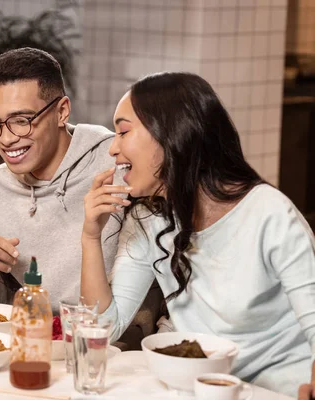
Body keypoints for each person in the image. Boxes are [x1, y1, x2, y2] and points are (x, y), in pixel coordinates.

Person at [81, 71, 315, 396]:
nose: (113, 149)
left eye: (123, 131)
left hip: (280, 390)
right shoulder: (149, 218)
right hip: (194, 387)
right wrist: (91, 236)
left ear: (172, 133)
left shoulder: (270, 214)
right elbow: (103, 328)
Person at [0, 48, 164, 348]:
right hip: (34, 346)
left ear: (62, 111)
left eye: (21, 120)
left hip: (117, 350)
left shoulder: (118, 167)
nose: (6, 138)